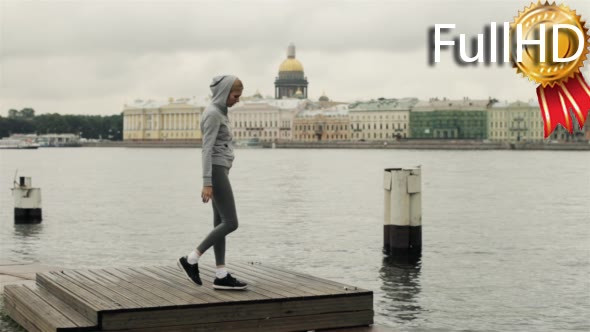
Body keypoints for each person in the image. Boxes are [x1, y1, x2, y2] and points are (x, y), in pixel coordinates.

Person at [177, 75, 247, 290]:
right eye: (235, 95)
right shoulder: (213, 114)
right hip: (216, 172)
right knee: (231, 222)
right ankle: (191, 259)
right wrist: (207, 181)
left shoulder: (220, 113)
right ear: (225, 92)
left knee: (220, 223)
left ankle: (221, 274)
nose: (237, 100)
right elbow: (206, 149)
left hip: (220, 170)